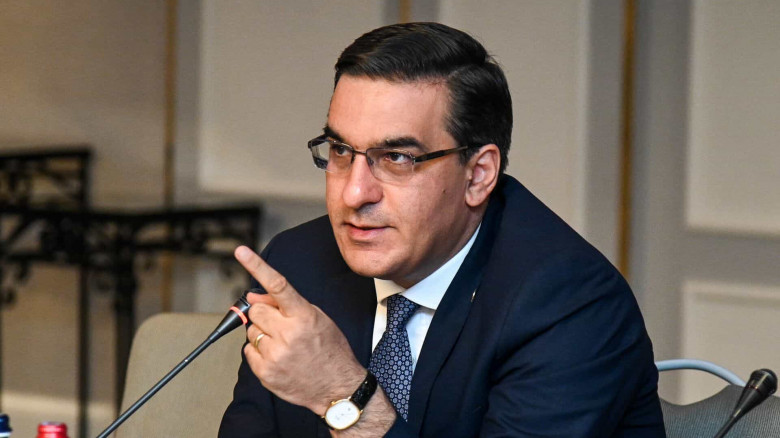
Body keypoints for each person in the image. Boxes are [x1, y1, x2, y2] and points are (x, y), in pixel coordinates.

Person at [219, 22, 665, 437]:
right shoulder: (299, 263)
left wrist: (344, 395)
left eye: (396, 158)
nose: (354, 193)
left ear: (478, 175)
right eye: (340, 150)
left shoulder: (570, 304)